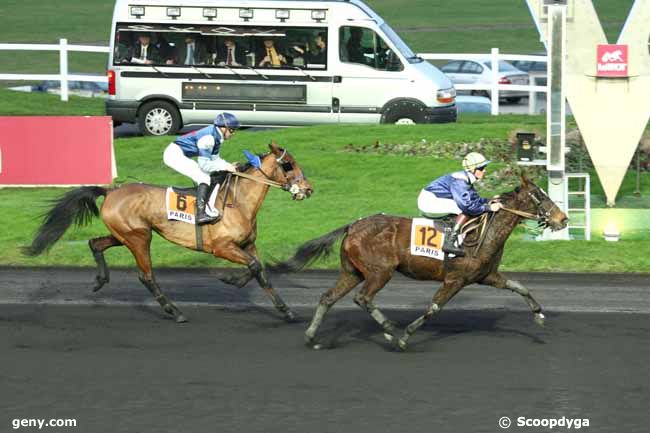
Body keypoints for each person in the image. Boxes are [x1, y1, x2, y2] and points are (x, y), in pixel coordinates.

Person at [417, 152, 503, 257]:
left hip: (435, 198)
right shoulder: (460, 181)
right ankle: (449, 242)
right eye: (481, 168)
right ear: (472, 169)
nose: (484, 170)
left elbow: (474, 199)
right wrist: (488, 207)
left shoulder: (466, 178)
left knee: (466, 207)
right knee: (463, 209)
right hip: (428, 201)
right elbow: (467, 206)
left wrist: (489, 201)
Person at [163, 113, 241, 225]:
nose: (233, 134)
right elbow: (204, 165)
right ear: (223, 128)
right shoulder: (209, 139)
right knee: (204, 177)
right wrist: (225, 167)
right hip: (173, 155)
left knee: (206, 175)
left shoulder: (217, 136)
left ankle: (204, 205)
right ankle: (201, 214)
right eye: (232, 130)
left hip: (180, 153)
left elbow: (215, 159)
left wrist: (228, 165)